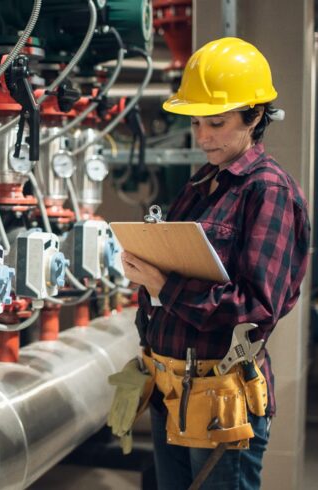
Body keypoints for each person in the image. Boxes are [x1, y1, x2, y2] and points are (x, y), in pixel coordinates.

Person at [120, 37, 310, 489]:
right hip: (174, 392)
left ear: (255, 115)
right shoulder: (203, 183)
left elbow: (257, 308)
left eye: (217, 122)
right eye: (198, 122)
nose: (203, 136)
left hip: (222, 405)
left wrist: (165, 288)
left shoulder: (269, 193)